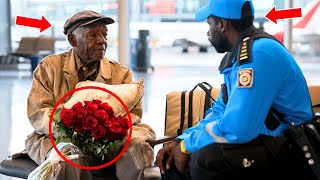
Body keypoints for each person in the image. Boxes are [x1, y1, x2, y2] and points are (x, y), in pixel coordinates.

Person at [156, 0, 314, 179]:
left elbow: (238, 128)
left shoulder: (258, 54)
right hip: (265, 140)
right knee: (171, 161)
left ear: (222, 25)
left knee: (206, 160)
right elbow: (221, 111)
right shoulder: (241, 55)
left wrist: (188, 147)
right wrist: (182, 140)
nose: (207, 32)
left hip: (291, 146)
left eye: (209, 24)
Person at [25, 10, 156, 180]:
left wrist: (105, 130)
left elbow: (133, 115)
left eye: (104, 34)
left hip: (110, 141)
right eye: (92, 35)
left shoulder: (121, 73)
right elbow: (39, 113)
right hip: (55, 138)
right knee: (69, 156)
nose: (102, 40)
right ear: (73, 40)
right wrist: (77, 130)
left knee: (137, 145)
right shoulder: (48, 68)